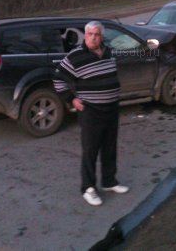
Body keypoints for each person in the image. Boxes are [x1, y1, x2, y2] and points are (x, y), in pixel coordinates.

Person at [53, 21, 129, 206]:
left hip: (111, 108)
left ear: (102, 36)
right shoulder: (75, 57)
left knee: (110, 147)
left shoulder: (108, 52)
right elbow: (58, 80)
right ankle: (88, 188)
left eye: (97, 34)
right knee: (90, 150)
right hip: (91, 111)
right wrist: (72, 100)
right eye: (90, 34)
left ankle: (109, 181)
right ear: (85, 35)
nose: (93, 38)